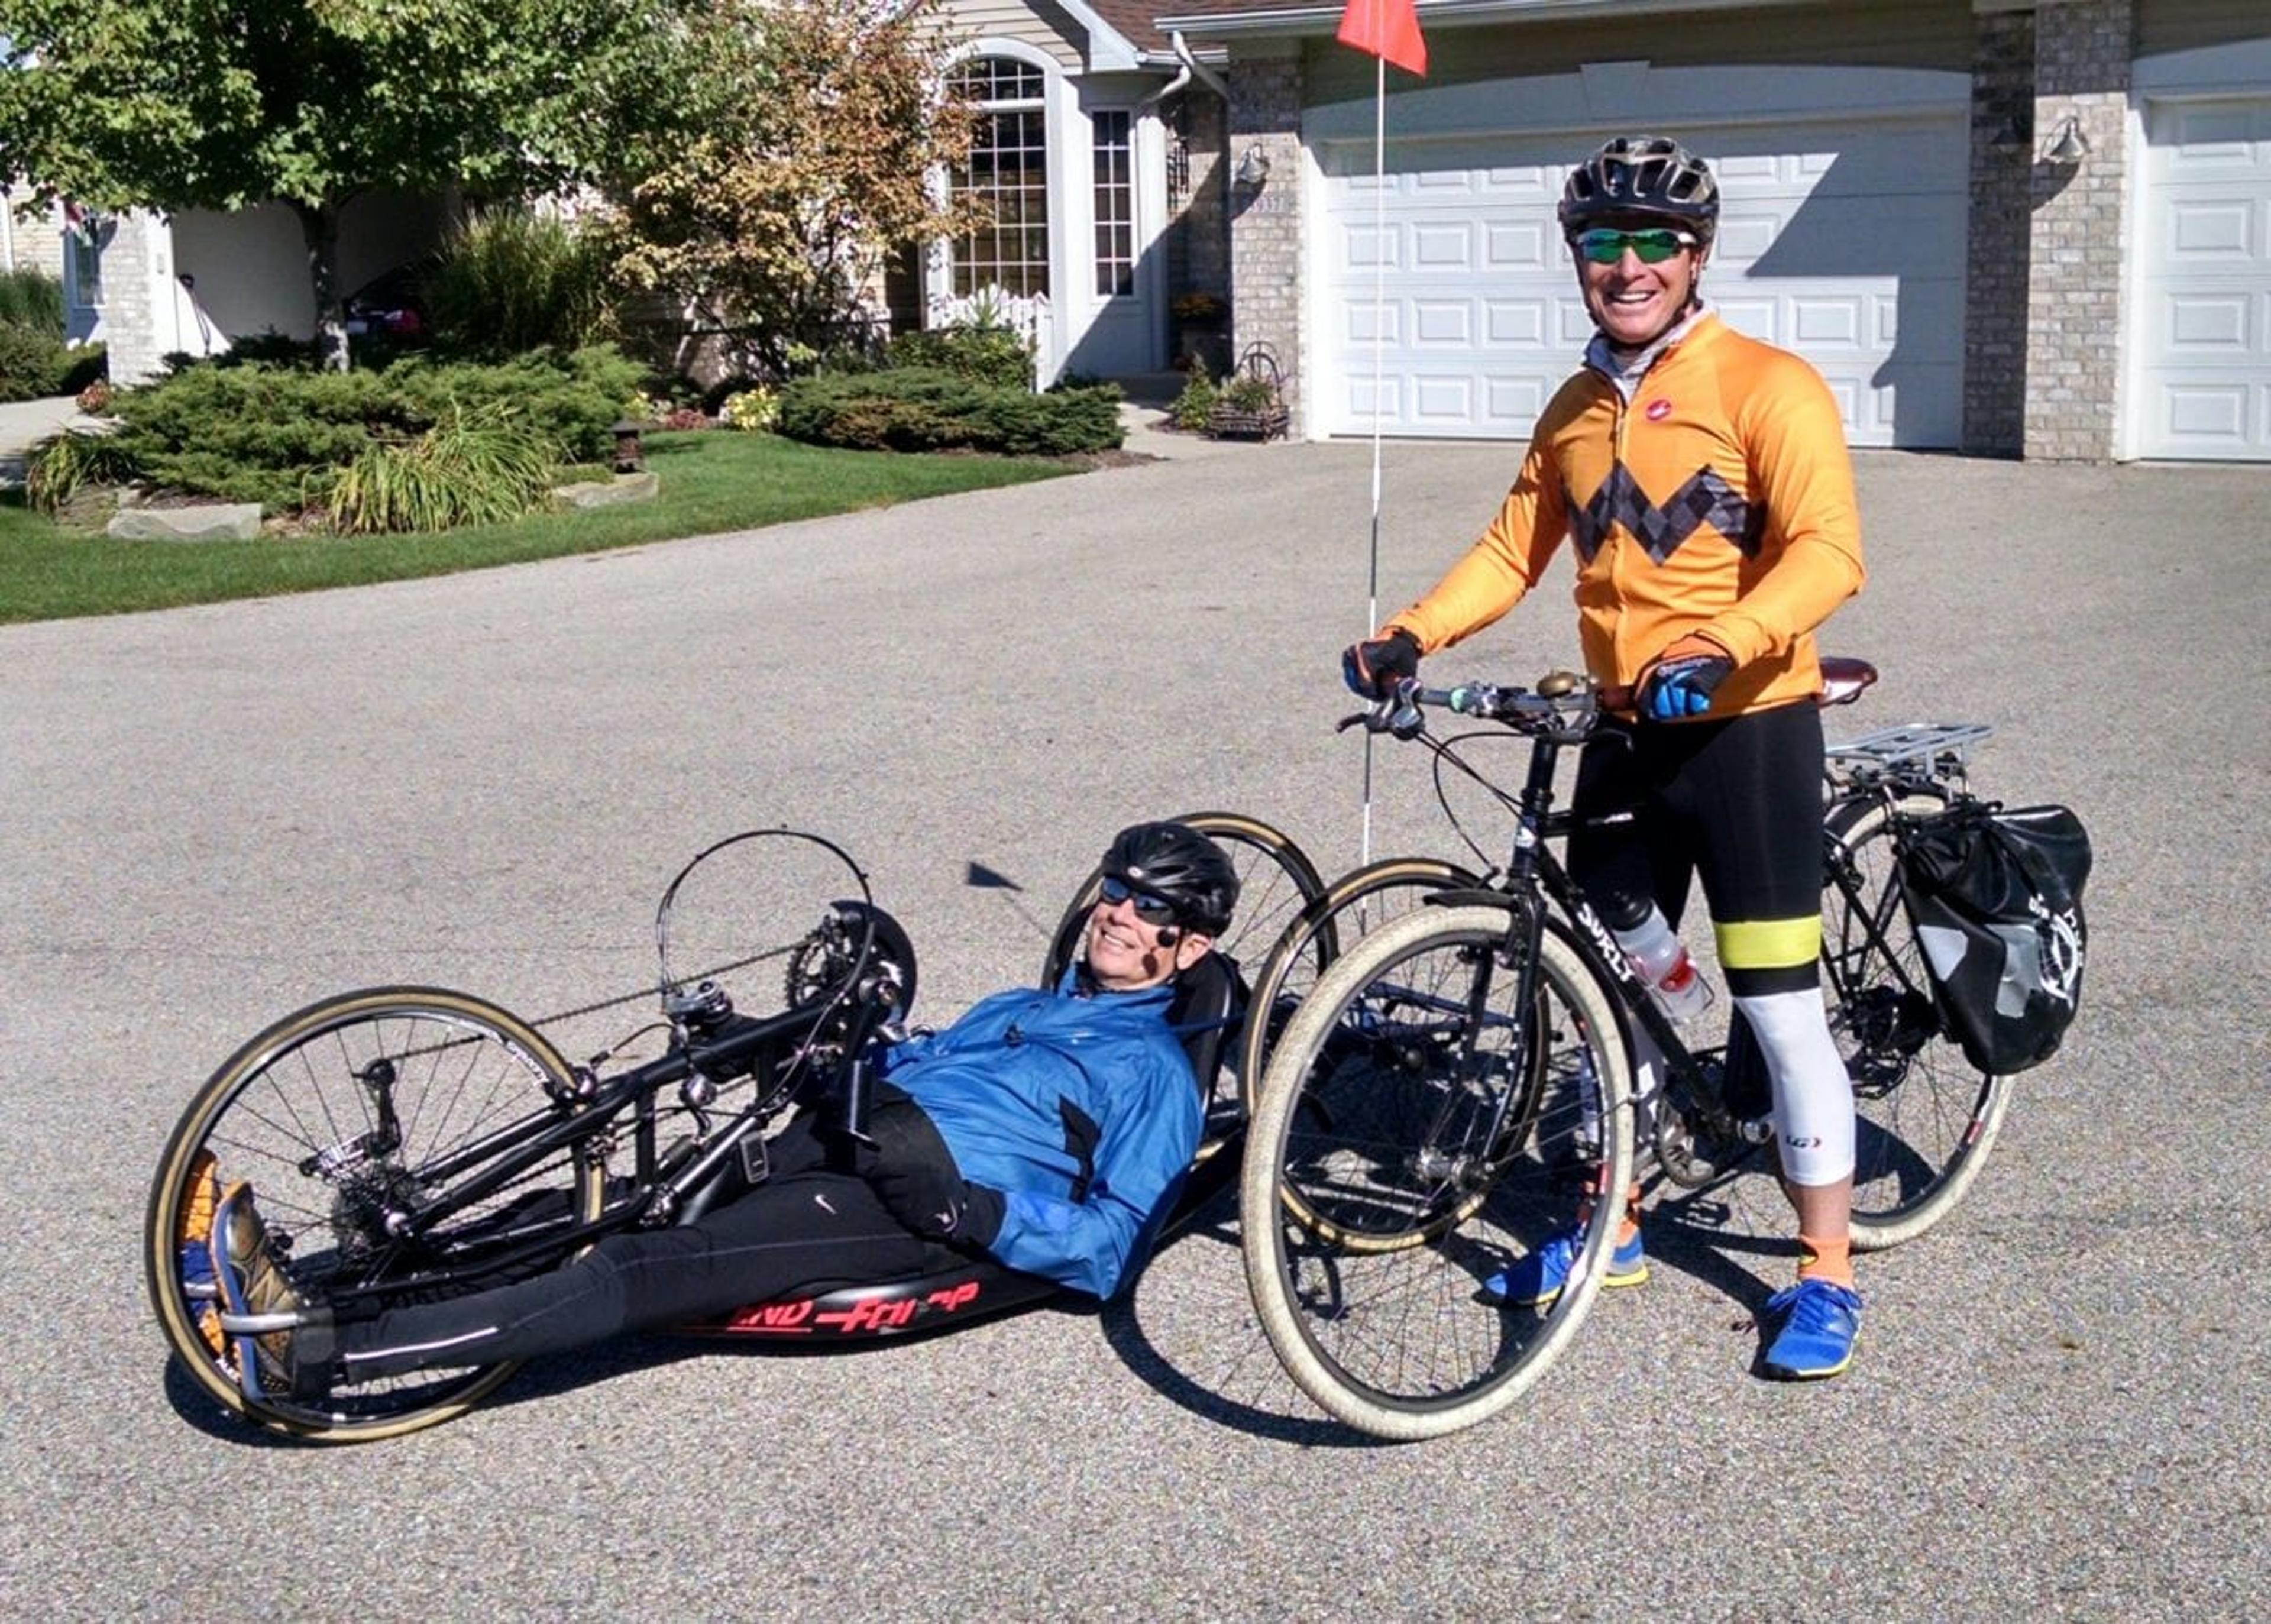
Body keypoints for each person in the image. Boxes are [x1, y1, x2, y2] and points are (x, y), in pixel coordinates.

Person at [1342, 135, 1869, 1380]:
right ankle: (1616, 1219)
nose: (1626, 267)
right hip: (1623, 734)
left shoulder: (1767, 386)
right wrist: (1411, 630)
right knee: (1616, 998)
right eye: (1601, 243)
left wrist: (1728, 636)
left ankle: (1827, 1271)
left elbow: (1828, 554)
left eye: (1652, 244)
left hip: (1745, 731)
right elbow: (1510, 548)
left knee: (1782, 1008)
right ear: (1577, 257)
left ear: (1694, 257)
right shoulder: (1575, 410)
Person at [183, 820, 1239, 1404]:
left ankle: (313, 1352)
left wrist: (967, 1209)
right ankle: (309, 1281)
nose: (1116, 911)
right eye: (1113, 886)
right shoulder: (1026, 1003)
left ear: (1187, 945)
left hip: (904, 1198)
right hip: (843, 1120)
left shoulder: (1153, 1072)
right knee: (590, 1205)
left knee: (642, 1270)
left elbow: (1111, 1247)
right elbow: (915, 1050)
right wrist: (828, 1036)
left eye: (1149, 905)